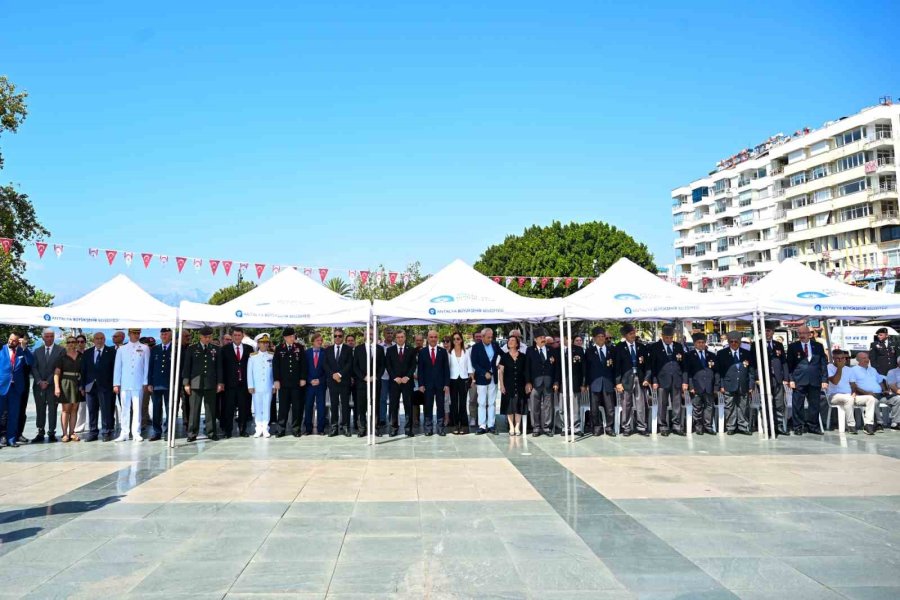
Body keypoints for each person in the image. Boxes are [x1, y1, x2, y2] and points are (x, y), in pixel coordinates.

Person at [646, 324, 689, 436]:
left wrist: (684, 381)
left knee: (677, 404)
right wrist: (654, 381)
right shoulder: (655, 347)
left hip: (676, 380)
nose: (669, 340)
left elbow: (684, 365)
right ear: (662, 336)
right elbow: (652, 366)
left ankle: (676, 425)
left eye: (671, 338)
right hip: (661, 380)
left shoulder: (678, 347)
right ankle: (663, 426)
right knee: (662, 404)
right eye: (667, 338)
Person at [181, 326, 223, 442]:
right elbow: (187, 367)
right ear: (200, 336)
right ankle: (192, 433)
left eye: (209, 337)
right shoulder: (192, 349)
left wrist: (220, 382)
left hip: (210, 383)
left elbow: (219, 368)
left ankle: (211, 432)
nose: (207, 339)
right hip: (195, 384)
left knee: (210, 410)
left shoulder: (216, 349)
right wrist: (186, 383)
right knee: (194, 410)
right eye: (205, 337)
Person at [786, 325, 828, 435]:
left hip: (815, 379)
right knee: (798, 404)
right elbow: (789, 365)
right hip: (799, 379)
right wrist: (791, 379)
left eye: (804, 333)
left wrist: (824, 380)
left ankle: (813, 426)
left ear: (809, 334)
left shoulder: (818, 346)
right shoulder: (793, 347)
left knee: (814, 404)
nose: (802, 335)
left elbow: (823, 363)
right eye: (799, 333)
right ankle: (798, 426)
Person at [112, 329, 150, 442]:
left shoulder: (145, 348)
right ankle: (124, 432)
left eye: (138, 333)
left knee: (137, 409)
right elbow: (118, 367)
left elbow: (146, 366)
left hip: (138, 383)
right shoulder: (121, 349)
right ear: (129, 334)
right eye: (134, 333)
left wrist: (145, 382)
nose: (136, 335)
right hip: (125, 383)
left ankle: (136, 432)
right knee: (124, 409)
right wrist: (116, 383)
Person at [715, 331, 755, 435]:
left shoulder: (746, 353)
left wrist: (751, 386)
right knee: (729, 406)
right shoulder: (721, 354)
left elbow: (751, 372)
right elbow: (719, 372)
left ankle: (743, 426)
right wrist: (721, 386)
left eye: (736, 342)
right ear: (728, 342)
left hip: (743, 385)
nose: (734, 343)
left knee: (743, 406)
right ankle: (731, 427)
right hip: (728, 384)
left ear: (740, 342)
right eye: (731, 341)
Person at [828, 350, 876, 435]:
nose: (841, 360)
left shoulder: (849, 369)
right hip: (834, 396)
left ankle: (868, 425)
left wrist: (853, 392)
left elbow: (853, 384)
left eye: (843, 358)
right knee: (849, 399)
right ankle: (851, 425)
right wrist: (839, 368)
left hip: (849, 395)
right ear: (833, 359)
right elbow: (835, 381)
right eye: (838, 358)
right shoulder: (829, 367)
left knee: (871, 399)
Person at [614, 324, 649, 436]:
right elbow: (617, 367)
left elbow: (647, 365)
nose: (633, 335)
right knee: (626, 404)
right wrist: (618, 383)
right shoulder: (619, 347)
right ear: (625, 335)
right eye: (631, 334)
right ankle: (626, 427)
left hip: (639, 378)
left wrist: (647, 378)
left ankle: (641, 426)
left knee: (641, 404)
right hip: (626, 380)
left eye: (634, 333)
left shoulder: (641, 347)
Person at [81, 332, 116, 442]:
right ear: (93, 340)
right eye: (97, 338)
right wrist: (82, 386)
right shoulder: (87, 353)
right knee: (92, 410)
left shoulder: (111, 352)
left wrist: (114, 384)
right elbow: (83, 371)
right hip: (90, 386)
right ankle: (93, 432)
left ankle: (106, 431)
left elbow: (115, 370)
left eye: (101, 338)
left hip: (106, 386)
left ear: (105, 339)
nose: (99, 340)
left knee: (106, 410)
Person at [32, 328, 65, 443]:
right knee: (40, 409)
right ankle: (40, 432)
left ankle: (51, 432)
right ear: (43, 337)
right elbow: (34, 368)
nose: (49, 338)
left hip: (52, 386)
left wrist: (48, 381)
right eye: (47, 336)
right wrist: (39, 381)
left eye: (51, 336)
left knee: (53, 409)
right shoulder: (37, 351)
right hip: (38, 386)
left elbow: (59, 368)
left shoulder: (61, 350)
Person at [218, 327, 253, 438]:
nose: (237, 337)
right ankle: (228, 431)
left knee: (244, 408)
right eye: (235, 335)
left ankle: (243, 430)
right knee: (229, 408)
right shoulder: (225, 349)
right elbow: (221, 367)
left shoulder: (249, 349)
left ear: (243, 336)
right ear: (232, 336)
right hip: (229, 385)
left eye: (239, 335)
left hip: (244, 384)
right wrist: (221, 382)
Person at [273, 327, 308, 437]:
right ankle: (281, 429)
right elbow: (276, 366)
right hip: (283, 384)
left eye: (293, 336)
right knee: (283, 407)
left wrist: (303, 378)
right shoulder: (279, 348)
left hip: (296, 384)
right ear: (285, 338)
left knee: (297, 407)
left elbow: (303, 364)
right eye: (290, 336)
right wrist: (276, 380)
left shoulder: (300, 348)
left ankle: (296, 428)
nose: (293, 338)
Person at [850, 351, 898, 431]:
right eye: (864, 358)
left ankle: (896, 423)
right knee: (873, 401)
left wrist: (885, 390)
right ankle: (879, 423)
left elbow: (880, 381)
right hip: (865, 395)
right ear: (858, 360)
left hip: (880, 394)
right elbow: (854, 386)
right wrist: (867, 393)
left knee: (897, 399)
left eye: (867, 358)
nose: (867, 360)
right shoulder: (853, 370)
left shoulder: (872, 369)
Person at [1, 333, 33, 447]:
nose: (11, 342)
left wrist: (24, 348)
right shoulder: (1, 349)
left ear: (18, 342)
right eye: (10, 339)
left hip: (16, 388)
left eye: (14, 341)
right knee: (2, 414)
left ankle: (11, 439)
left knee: (14, 414)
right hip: (2, 386)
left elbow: (31, 362)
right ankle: (2, 437)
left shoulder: (21, 352)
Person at [583, 327, 616, 436]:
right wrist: (585, 383)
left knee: (610, 407)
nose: (601, 338)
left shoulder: (611, 350)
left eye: (603, 336)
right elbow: (585, 369)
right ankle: (596, 427)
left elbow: (615, 368)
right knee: (594, 407)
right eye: (599, 337)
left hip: (608, 382)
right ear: (594, 338)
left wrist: (616, 382)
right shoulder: (589, 351)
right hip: (594, 382)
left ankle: (609, 427)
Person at [526, 330, 560, 437]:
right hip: (535, 383)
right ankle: (536, 427)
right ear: (535, 340)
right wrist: (528, 382)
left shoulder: (551, 350)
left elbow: (557, 368)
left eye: (543, 337)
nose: (543, 339)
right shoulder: (530, 350)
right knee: (534, 406)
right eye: (540, 337)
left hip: (549, 383)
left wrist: (556, 381)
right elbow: (527, 368)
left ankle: (547, 427)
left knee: (548, 406)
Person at [352, 331, 385, 437]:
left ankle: (376, 428)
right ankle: (362, 428)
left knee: (376, 406)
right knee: (361, 406)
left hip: (375, 382)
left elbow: (382, 365)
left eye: (372, 333)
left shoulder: (379, 349)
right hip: (362, 383)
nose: (370, 335)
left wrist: (376, 376)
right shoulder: (358, 349)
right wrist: (364, 377)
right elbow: (355, 366)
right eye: (368, 333)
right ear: (364, 335)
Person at [417, 330, 450, 436]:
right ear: (428, 338)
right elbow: (420, 370)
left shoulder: (442, 351)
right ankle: (428, 428)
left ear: (438, 338)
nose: (433, 339)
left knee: (440, 406)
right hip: (427, 385)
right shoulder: (422, 352)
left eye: (435, 337)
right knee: (428, 406)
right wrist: (421, 384)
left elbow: (446, 369)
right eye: (431, 337)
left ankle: (440, 428)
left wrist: (446, 384)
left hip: (440, 385)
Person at [758, 322, 789, 436]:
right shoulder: (757, 344)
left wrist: (785, 377)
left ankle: (779, 426)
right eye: (765, 330)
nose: (767, 333)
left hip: (777, 378)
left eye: (769, 330)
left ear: (773, 332)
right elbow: (754, 364)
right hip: (764, 378)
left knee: (779, 403)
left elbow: (784, 362)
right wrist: (757, 377)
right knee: (766, 403)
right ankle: (767, 427)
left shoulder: (778, 345)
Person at [471, 328, 502, 435]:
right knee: (482, 402)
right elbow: (474, 363)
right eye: (488, 337)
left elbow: (502, 355)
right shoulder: (476, 348)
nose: (490, 339)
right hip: (481, 378)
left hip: (493, 377)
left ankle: (491, 425)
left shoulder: (495, 345)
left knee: (492, 402)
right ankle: (482, 425)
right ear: (482, 337)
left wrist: (499, 364)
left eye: (491, 337)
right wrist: (484, 373)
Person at [53, 337, 84, 442]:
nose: (71, 344)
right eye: (69, 342)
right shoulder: (61, 357)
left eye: (73, 342)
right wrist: (57, 387)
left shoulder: (81, 356)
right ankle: (64, 434)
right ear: (66, 344)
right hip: (65, 383)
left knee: (74, 409)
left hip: (77, 383)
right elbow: (57, 373)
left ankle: (72, 432)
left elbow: (84, 372)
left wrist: (82, 386)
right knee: (66, 410)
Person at [386, 330, 416, 437]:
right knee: (394, 406)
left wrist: (407, 377)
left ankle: (408, 429)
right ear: (395, 338)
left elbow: (413, 365)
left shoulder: (411, 350)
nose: (400, 339)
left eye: (402, 337)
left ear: (405, 338)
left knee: (408, 406)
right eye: (398, 337)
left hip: (407, 382)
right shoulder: (390, 350)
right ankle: (394, 428)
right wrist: (395, 377)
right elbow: (388, 365)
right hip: (395, 383)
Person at [685, 332, 717, 435]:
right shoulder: (689, 356)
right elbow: (688, 372)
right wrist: (691, 386)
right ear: (695, 343)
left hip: (709, 386)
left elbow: (716, 372)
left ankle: (708, 426)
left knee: (709, 407)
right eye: (699, 342)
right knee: (697, 407)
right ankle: (698, 426)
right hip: (696, 386)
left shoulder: (711, 355)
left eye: (703, 342)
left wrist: (716, 386)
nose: (701, 344)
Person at [324, 328, 353, 437]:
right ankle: (334, 427)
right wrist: (333, 375)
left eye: (340, 336)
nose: (337, 337)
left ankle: (345, 427)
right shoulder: (328, 349)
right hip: (332, 382)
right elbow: (325, 364)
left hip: (344, 381)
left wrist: (339, 375)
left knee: (345, 405)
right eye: (335, 335)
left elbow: (349, 364)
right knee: (334, 405)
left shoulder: (348, 349)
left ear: (343, 337)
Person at [145, 328, 173, 441]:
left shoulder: (175, 349)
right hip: (156, 384)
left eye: (166, 334)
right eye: (162, 334)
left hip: (169, 384)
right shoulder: (155, 349)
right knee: (156, 409)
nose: (164, 336)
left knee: (169, 408)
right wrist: (150, 383)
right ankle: (157, 432)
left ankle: (169, 431)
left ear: (170, 335)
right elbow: (150, 367)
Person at [499, 334, 528, 436]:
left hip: (520, 384)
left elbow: (526, 371)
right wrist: (502, 385)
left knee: (519, 405)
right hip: (508, 384)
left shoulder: (523, 356)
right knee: (509, 406)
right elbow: (501, 372)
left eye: (512, 340)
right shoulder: (504, 356)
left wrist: (527, 383)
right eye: (509, 341)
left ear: (517, 344)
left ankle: (517, 426)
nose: (510, 342)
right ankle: (511, 426)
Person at [247, 333, 274, 437]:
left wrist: (273, 386)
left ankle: (266, 428)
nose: (265, 344)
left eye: (267, 342)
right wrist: (250, 385)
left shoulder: (271, 355)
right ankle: (258, 428)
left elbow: (273, 373)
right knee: (257, 407)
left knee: (267, 406)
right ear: (258, 344)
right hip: (256, 386)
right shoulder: (253, 357)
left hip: (268, 385)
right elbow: (250, 372)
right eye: (263, 342)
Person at [447, 332, 472, 434]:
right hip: (452, 379)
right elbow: (447, 368)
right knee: (453, 403)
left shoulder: (466, 352)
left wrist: (472, 379)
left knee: (462, 403)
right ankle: (454, 425)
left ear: (461, 340)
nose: (456, 341)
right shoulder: (449, 353)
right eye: (454, 339)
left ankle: (464, 426)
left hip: (463, 379)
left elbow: (469, 366)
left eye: (458, 339)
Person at [304, 333, 326, 435]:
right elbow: (303, 369)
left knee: (321, 407)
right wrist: (309, 380)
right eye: (318, 340)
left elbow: (327, 370)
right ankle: (308, 428)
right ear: (312, 341)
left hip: (321, 385)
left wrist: (320, 380)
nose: (320, 342)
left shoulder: (325, 353)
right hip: (309, 385)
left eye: (321, 340)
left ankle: (321, 429)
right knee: (308, 406)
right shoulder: (306, 353)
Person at [468, 331, 482, 427]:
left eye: (480, 336)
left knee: (483, 400)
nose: (478, 338)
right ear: (473, 338)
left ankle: (482, 419)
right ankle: (473, 417)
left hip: (484, 379)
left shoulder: (487, 349)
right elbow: (468, 365)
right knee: (473, 399)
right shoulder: (469, 350)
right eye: (476, 337)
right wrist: (472, 378)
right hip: (473, 379)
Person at [882, 357, 900, 430]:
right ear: (899, 363)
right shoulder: (892, 372)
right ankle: (896, 422)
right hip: (895, 394)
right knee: (899, 399)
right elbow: (893, 387)